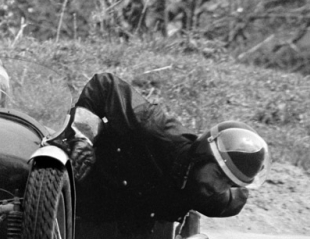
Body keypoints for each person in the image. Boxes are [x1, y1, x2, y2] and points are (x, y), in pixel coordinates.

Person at [66, 73, 270, 226]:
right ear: (202, 155)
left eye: (228, 183)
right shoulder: (154, 129)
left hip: (128, 237)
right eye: (218, 174)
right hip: (81, 196)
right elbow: (105, 86)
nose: (217, 188)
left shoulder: (217, 199)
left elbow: (237, 197)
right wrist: (83, 138)